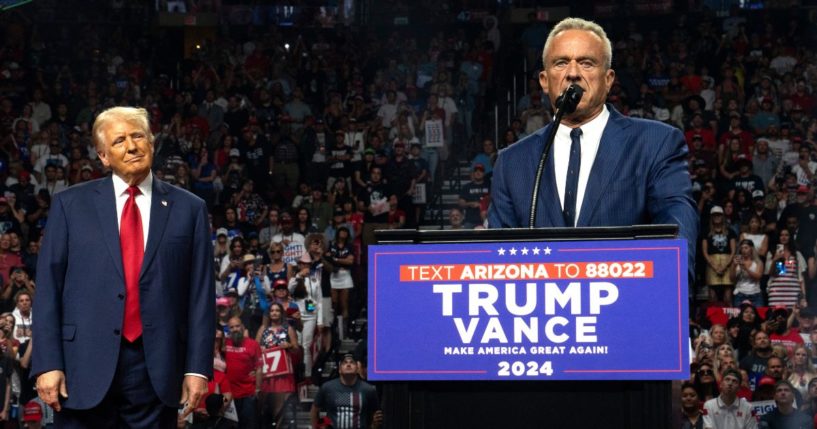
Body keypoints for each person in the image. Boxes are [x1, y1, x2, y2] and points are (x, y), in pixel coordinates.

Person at [31, 106, 214, 427]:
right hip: (81, 365)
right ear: (103, 156)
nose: (131, 146)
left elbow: (201, 296)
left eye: (138, 136)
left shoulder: (190, 209)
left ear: (152, 143)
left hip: (157, 367)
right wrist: (47, 363)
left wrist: (197, 368)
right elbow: (48, 289)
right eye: (119, 141)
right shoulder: (69, 205)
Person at [487, 17, 697, 275]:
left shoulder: (656, 144)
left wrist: (666, 299)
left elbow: (676, 234)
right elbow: (499, 263)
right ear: (544, 80)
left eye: (586, 63)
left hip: (627, 309)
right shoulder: (512, 162)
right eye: (561, 62)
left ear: (608, 79)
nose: (573, 73)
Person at [255, 302, 298, 428]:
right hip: (266, 372)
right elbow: (254, 348)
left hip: (283, 372)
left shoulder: (288, 328)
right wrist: (260, 349)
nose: (274, 313)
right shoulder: (263, 329)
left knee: (281, 406)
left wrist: (289, 345)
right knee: (263, 403)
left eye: (277, 310)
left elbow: (296, 348)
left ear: (281, 313)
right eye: (272, 310)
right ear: (269, 313)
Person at [310, 353, 383, 429]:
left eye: (352, 362)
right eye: (345, 362)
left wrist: (374, 426)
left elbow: (376, 415)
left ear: (357, 369)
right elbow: (314, 411)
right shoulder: (327, 387)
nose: (348, 364)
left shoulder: (368, 389)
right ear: (339, 369)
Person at [224, 316, 261, 429]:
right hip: (229, 394)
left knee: (249, 425)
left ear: (243, 327)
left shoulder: (253, 344)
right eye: (232, 327)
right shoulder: (224, 344)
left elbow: (259, 368)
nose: (235, 329)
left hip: (248, 393)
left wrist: (258, 389)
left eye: (237, 326)